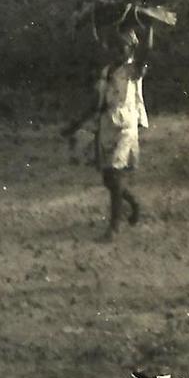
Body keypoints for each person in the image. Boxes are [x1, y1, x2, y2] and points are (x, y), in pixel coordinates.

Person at [62, 23, 152, 241]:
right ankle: (133, 203)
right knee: (108, 179)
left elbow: (146, 51)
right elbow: (97, 103)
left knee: (115, 172)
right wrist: (75, 125)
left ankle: (114, 227)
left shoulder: (133, 71)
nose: (117, 51)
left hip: (125, 126)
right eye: (114, 47)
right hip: (106, 126)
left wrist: (149, 27)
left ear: (131, 48)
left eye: (122, 47)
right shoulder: (106, 72)